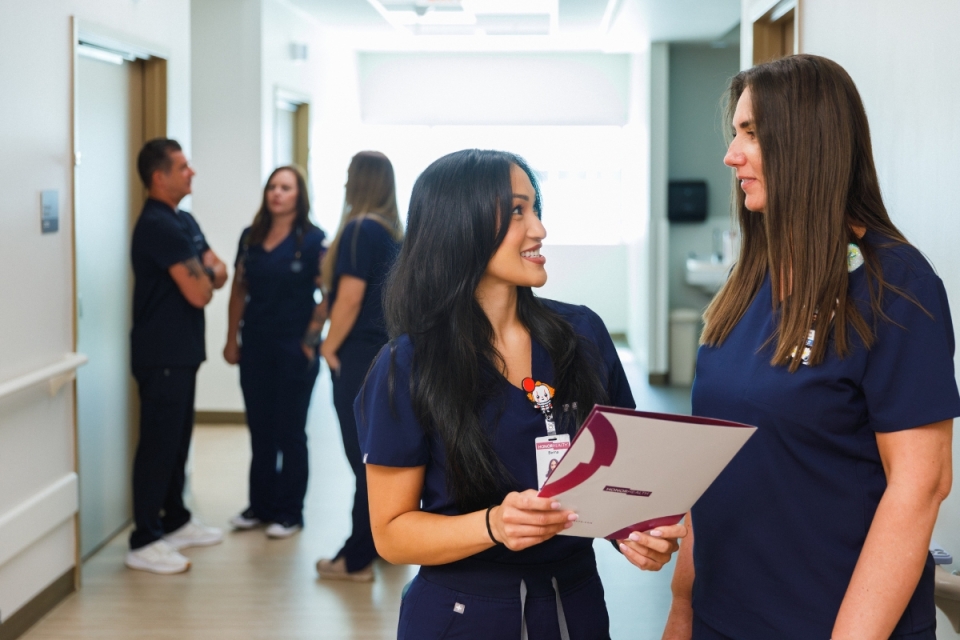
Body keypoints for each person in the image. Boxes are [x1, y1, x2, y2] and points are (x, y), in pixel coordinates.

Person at [662, 55, 960, 640]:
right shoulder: (749, 283)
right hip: (725, 615)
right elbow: (713, 465)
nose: (731, 155)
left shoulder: (895, 286)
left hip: (832, 622)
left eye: (751, 133)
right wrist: (683, 607)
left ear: (806, 143)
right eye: (735, 132)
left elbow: (920, 486)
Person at [357, 149, 686, 638]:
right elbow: (390, 533)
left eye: (536, 208)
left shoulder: (582, 335)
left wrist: (636, 534)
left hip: (574, 608)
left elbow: (622, 483)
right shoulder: (407, 365)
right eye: (516, 211)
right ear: (458, 225)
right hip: (462, 616)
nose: (538, 229)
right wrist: (492, 525)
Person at [126, 138, 228, 574]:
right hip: (160, 354)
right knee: (158, 446)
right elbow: (202, 290)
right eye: (183, 167)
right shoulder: (157, 225)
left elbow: (219, 270)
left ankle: (175, 520)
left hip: (182, 353)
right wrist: (205, 274)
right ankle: (144, 539)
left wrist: (205, 272)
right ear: (159, 177)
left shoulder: (182, 219)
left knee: (178, 442)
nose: (193, 172)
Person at [223, 166, 327, 539]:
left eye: (286, 187)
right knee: (260, 429)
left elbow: (327, 295)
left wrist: (310, 341)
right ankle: (260, 506)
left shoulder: (314, 240)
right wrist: (231, 337)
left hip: (293, 348)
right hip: (256, 345)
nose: (277, 193)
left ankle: (289, 512)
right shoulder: (250, 238)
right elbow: (239, 289)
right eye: (272, 187)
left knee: (290, 430)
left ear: (299, 196)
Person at [314, 151, 403, 581]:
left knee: (362, 461)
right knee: (381, 457)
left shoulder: (357, 230)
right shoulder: (393, 234)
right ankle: (384, 543)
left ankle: (355, 559)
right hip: (388, 355)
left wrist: (328, 347)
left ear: (358, 182)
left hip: (359, 358)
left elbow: (349, 297)